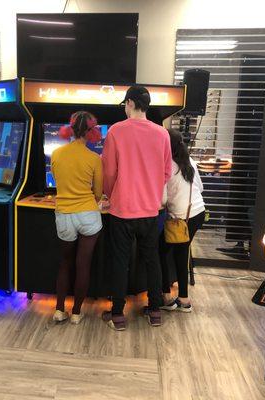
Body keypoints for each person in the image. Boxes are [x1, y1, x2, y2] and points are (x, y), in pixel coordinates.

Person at [101, 85, 172, 331]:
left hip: (122, 210)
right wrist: (150, 190)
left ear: (130, 103)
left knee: (120, 262)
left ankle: (118, 314)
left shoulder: (116, 131)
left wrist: (109, 194)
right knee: (151, 260)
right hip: (151, 211)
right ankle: (154, 311)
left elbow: (108, 172)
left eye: (125, 104)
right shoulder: (162, 133)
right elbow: (166, 172)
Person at [51, 111, 103, 325]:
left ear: (70, 129)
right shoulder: (94, 158)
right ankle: (76, 313)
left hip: (64, 214)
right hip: (88, 215)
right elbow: (98, 193)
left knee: (65, 263)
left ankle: (58, 310)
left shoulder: (56, 154)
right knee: (84, 265)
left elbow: (57, 182)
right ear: (91, 133)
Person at [159, 129, 205, 312]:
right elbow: (200, 187)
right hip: (198, 212)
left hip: (181, 219)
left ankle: (167, 297)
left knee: (160, 251)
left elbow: (162, 200)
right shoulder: (190, 161)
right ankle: (183, 299)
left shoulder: (166, 165)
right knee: (181, 253)